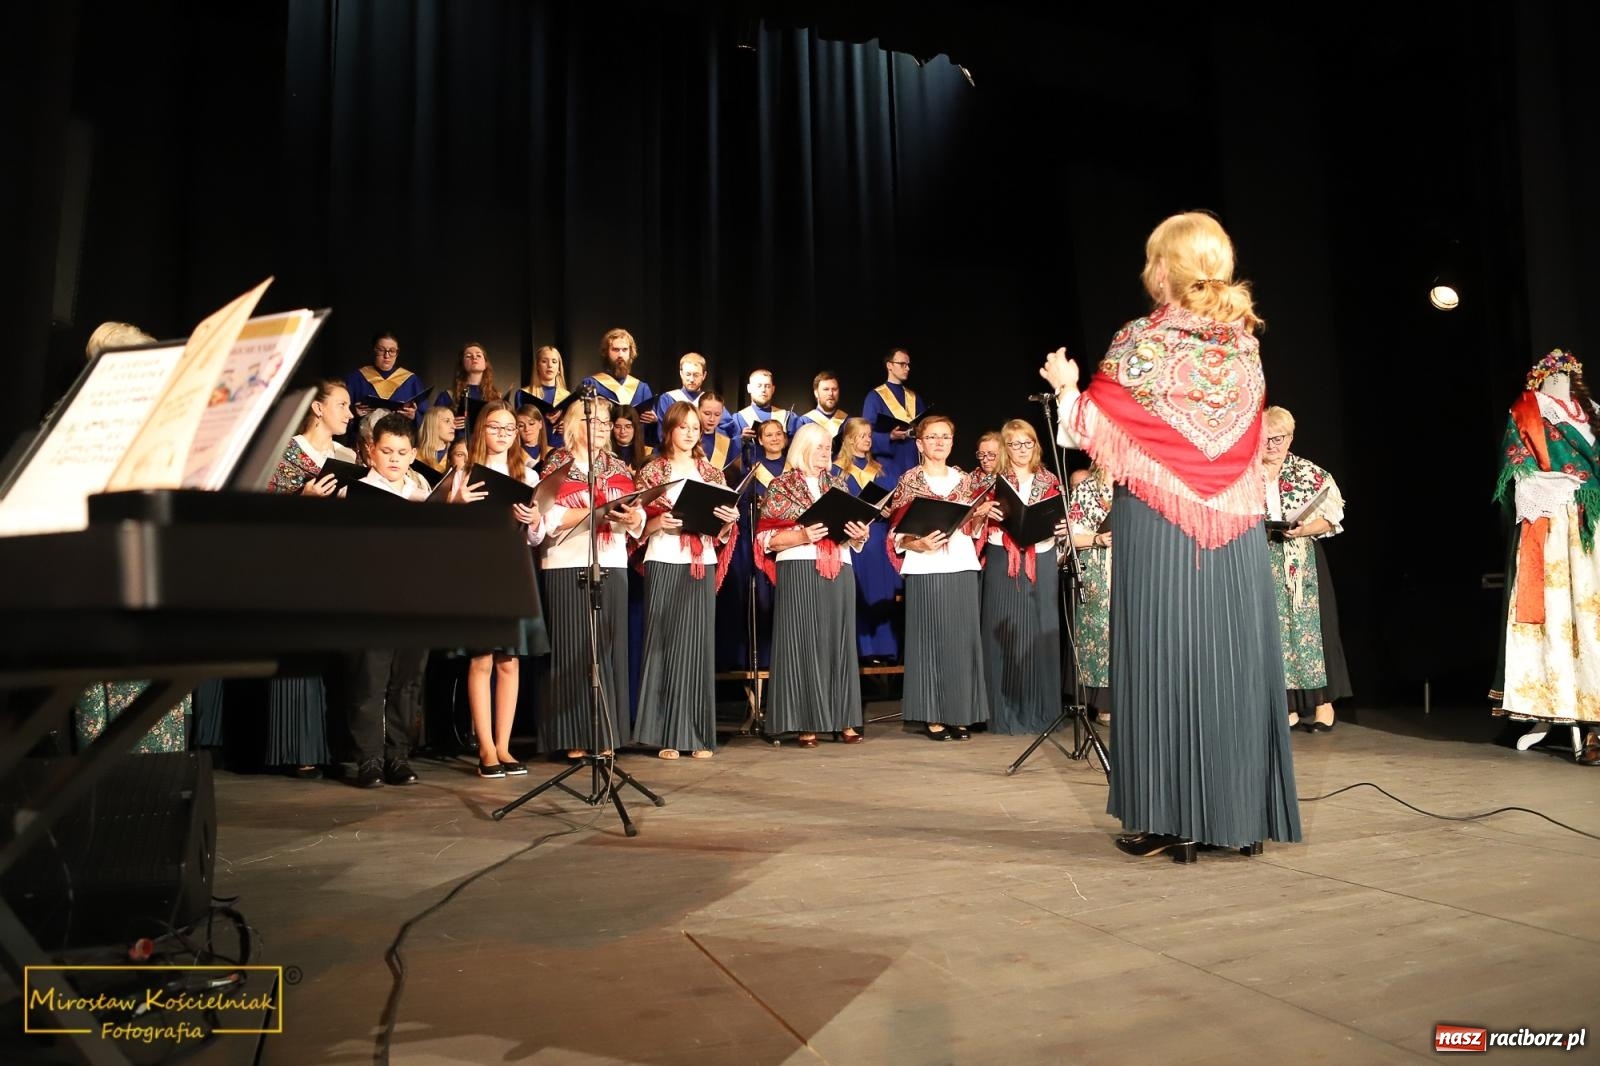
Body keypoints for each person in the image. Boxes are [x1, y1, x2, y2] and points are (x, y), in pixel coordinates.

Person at [1039, 210, 1300, 860]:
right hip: (1235, 531)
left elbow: (1090, 431)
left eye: (1154, 259)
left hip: (1160, 524)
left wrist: (1067, 388)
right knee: (1231, 665)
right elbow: (1236, 446)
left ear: (1171, 268)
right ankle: (1238, 819)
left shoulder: (1141, 341)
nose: (1145, 270)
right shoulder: (1245, 346)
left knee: (1163, 657)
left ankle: (1169, 819)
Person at [1491, 348, 1600, 764]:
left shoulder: (1591, 412)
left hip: (1592, 526)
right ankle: (1555, 704)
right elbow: (1516, 469)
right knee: (1556, 614)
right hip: (1552, 525)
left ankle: (1592, 716)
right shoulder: (1526, 410)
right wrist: (1562, 486)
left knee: (1590, 617)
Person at [256, 380, 356, 776]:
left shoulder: (346, 455)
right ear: (317, 408)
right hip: (293, 565)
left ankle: (335, 747)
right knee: (300, 658)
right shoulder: (287, 452)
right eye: (342, 405)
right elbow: (261, 514)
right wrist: (304, 501)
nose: (349, 413)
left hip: (336, 565)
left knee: (333, 658)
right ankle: (298, 748)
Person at [539, 399, 647, 759]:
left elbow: (636, 518)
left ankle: (606, 733)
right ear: (574, 423)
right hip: (567, 562)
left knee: (607, 649)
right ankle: (573, 735)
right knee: (574, 649)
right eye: (595, 420)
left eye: (606, 421)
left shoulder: (617, 466)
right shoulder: (558, 463)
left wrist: (633, 519)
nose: (602, 426)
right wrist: (593, 511)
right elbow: (547, 518)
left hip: (612, 561)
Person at [632, 402, 740, 758]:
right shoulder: (652, 472)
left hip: (701, 561)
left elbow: (723, 531)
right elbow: (634, 526)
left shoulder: (711, 473)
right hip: (664, 558)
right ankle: (665, 734)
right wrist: (656, 524)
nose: (691, 432)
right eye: (684, 426)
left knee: (697, 646)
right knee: (664, 644)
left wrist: (728, 519)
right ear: (669, 430)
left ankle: (696, 734)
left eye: (696, 426)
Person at [450, 402, 549, 777]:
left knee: (511, 661)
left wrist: (534, 519)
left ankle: (505, 746)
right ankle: (486, 748)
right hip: (480, 567)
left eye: (510, 429)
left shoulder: (528, 472)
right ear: (481, 431)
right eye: (495, 427)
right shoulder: (465, 472)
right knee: (482, 659)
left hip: (515, 564)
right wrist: (458, 504)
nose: (503, 434)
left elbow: (537, 536)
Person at [757, 422, 871, 746]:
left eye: (828, 447)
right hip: (799, 568)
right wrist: (803, 535)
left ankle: (844, 718)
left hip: (840, 566)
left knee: (840, 640)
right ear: (803, 447)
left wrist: (860, 533)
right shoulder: (782, 487)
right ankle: (805, 720)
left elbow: (853, 527)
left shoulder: (840, 483)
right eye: (820, 447)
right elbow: (767, 539)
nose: (826, 453)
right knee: (803, 641)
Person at [343, 413, 441, 786]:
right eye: (387, 451)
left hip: (416, 598)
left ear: (414, 453)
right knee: (371, 680)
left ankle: (397, 755)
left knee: (408, 680)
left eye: (402, 452)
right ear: (371, 450)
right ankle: (369, 759)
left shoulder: (423, 497)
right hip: (372, 598)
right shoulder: (356, 492)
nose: (395, 459)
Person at [885, 415, 995, 740]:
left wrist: (979, 515)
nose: (939, 442)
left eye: (945, 436)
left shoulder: (963, 480)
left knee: (961, 643)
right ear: (919, 443)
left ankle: (959, 713)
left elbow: (972, 529)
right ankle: (933, 715)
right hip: (925, 567)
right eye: (932, 437)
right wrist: (915, 543)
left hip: (960, 565)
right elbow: (896, 533)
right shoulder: (909, 480)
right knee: (929, 642)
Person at [1260, 406, 1351, 732]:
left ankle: (1323, 706)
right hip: (1262, 559)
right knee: (1273, 633)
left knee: (1312, 631)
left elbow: (1331, 517)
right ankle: (1287, 707)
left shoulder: (1309, 474)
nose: (1271, 445)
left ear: (1291, 438)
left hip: (1302, 562)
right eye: (1266, 438)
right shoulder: (1246, 475)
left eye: (1278, 438)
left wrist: (1303, 529)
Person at [980, 419, 1071, 735]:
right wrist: (983, 514)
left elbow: (1064, 522)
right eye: (1014, 444)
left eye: (1027, 443)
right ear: (1005, 448)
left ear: (1036, 445)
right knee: (1002, 632)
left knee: (1039, 632)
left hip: (1041, 559)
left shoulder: (1050, 481)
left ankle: (1042, 713)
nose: (1021, 450)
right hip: (1001, 558)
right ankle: (1001, 713)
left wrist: (1061, 529)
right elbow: (968, 524)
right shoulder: (990, 482)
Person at [832, 416, 900, 661]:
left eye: (869, 435)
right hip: (854, 539)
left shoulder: (881, 468)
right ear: (849, 439)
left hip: (879, 537)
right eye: (862, 435)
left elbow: (893, 499)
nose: (868, 439)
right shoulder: (835, 469)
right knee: (858, 593)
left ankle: (885, 649)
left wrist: (888, 510)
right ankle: (861, 649)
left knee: (881, 592)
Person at [1065, 464, 1114, 722]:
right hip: (1096, 567)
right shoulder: (1085, 489)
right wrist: (1097, 539)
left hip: (1136, 565)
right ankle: (1103, 704)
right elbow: (1071, 536)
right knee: (1099, 631)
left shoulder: (1137, 486)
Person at [861, 348, 925, 482]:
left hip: (914, 461)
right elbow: (865, 434)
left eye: (908, 365)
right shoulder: (875, 397)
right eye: (902, 364)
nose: (907, 368)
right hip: (889, 466)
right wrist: (889, 436)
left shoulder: (915, 397)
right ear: (889, 365)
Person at [583, 328, 656, 438]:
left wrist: (653, 420)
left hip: (635, 450)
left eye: (625, 350)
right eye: (615, 350)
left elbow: (648, 431)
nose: (620, 355)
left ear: (631, 353)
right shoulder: (591, 384)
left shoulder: (642, 388)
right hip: (603, 447)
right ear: (606, 352)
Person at [345, 331, 427, 422]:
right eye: (381, 350)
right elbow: (343, 411)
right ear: (374, 350)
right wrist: (353, 412)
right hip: (366, 435)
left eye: (392, 351)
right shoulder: (356, 379)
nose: (386, 356)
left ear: (397, 353)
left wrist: (414, 416)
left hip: (400, 435)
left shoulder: (411, 381)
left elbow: (424, 417)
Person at [731, 369, 799, 464]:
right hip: (751, 473)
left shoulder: (787, 417)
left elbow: (799, 447)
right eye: (759, 386)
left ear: (773, 389)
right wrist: (741, 440)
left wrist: (784, 439)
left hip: (783, 471)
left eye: (767, 386)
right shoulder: (738, 418)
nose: (763, 390)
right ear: (749, 388)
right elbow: (728, 451)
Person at [512, 344, 572, 450]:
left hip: (561, 448)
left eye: (554, 361)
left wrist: (568, 427)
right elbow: (520, 426)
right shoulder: (523, 394)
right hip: (534, 449)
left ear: (559, 368)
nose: (549, 365)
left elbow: (574, 427)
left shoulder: (567, 396)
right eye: (544, 361)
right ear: (537, 366)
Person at [431, 342, 499, 434]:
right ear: (462, 364)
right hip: (459, 445)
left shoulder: (496, 397)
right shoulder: (448, 396)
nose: (474, 357)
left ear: (486, 363)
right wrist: (449, 423)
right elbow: (432, 425)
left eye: (478, 355)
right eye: (468, 356)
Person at [697, 391, 738, 473]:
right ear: (698, 411)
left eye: (717, 414)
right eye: (707, 413)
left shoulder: (727, 443)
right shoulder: (689, 438)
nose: (712, 419)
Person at [802, 370, 847, 440]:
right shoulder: (804, 422)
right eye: (826, 389)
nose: (831, 393)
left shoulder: (848, 422)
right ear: (816, 393)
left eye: (834, 389)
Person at [415, 403, 456, 474]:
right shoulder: (415, 456)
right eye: (447, 421)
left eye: (453, 422)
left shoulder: (455, 455)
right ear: (432, 424)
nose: (454, 427)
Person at [611, 405, 648, 472]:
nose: (622, 431)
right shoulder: (606, 452)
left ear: (635, 428)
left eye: (628, 426)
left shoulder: (648, 452)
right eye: (618, 427)